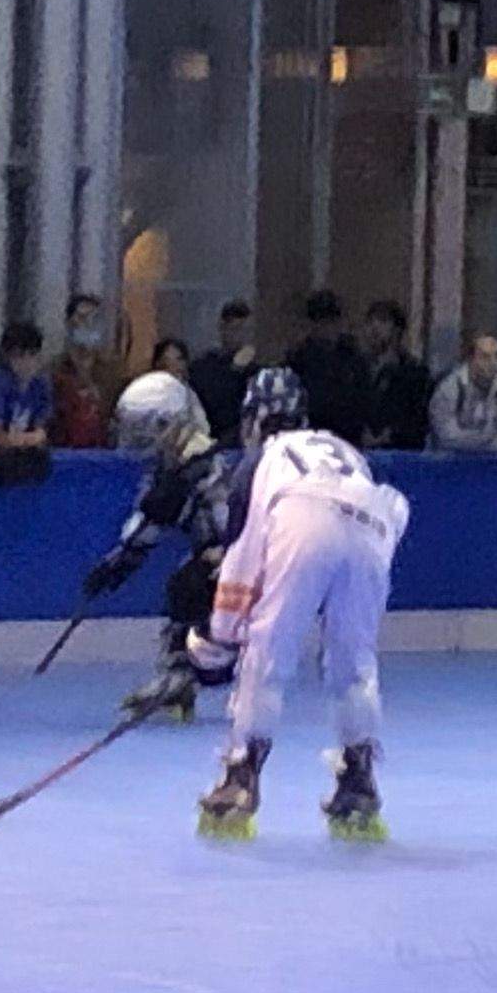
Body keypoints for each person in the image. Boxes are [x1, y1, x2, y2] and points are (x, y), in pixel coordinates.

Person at [193, 368, 408, 842]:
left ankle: (240, 778)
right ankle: (359, 779)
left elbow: (244, 555)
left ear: (254, 419)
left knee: (268, 649)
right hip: (374, 521)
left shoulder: (261, 461)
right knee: (354, 660)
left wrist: (219, 637)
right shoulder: (344, 450)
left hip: (303, 512)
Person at [82, 372, 250, 724]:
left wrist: (224, 553)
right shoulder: (170, 468)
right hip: (213, 558)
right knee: (186, 580)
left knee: (191, 583)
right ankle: (179, 676)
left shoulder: (207, 466)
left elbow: (232, 524)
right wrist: (121, 561)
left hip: (240, 565)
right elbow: (151, 517)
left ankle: (195, 674)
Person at [285, 290, 373, 444]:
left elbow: (364, 401)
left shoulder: (353, 358)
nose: (327, 327)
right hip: (310, 440)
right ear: (312, 324)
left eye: (332, 321)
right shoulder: (298, 359)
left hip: (348, 440)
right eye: (321, 321)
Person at [359, 301, 434, 450]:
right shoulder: (356, 368)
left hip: (400, 453)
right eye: (370, 321)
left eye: (383, 321)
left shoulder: (415, 372)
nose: (375, 327)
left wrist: (390, 435)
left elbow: (418, 418)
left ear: (397, 329)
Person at [431, 332, 497, 452]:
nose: (493, 363)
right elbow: (448, 438)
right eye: (485, 357)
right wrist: (488, 438)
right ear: (470, 359)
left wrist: (472, 438)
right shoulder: (449, 388)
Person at [186, 299, 260, 435]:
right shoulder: (204, 366)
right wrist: (235, 370)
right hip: (213, 438)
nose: (240, 336)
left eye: (246, 330)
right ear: (223, 329)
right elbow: (216, 406)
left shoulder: (256, 370)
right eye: (235, 329)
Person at [0, 323, 56, 449]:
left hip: (29, 455)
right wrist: (25, 440)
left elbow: (43, 429)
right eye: (19, 356)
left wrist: (34, 436)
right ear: (7, 357)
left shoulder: (41, 384)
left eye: (32, 354)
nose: (27, 362)